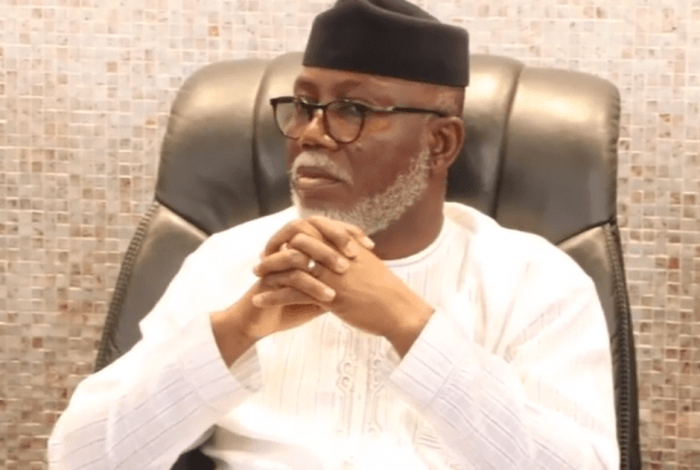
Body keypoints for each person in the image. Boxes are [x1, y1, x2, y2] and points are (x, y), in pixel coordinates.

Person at [48, 0, 619, 468]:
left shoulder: (534, 281)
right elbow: (81, 460)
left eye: (351, 109)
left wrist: (409, 326)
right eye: (303, 105)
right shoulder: (227, 264)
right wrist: (237, 329)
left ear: (440, 143)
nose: (310, 133)